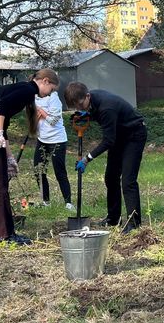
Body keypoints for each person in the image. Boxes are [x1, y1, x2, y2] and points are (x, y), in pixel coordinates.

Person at [0, 68, 60, 245]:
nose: (49, 94)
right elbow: (2, 105)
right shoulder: (28, 89)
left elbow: (2, 121)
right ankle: (5, 235)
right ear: (45, 81)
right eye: (52, 89)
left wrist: (8, 157)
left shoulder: (22, 89)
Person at [63, 82, 147, 234]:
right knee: (111, 177)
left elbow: (109, 140)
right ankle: (113, 218)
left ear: (87, 95)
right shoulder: (91, 100)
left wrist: (87, 158)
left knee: (128, 180)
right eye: (76, 108)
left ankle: (134, 223)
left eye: (81, 105)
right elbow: (96, 115)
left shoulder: (107, 107)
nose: (80, 109)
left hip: (134, 134)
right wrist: (86, 115)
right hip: (119, 135)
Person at [33, 90, 74, 210]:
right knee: (39, 171)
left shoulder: (54, 98)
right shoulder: (34, 98)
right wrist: (38, 116)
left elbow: (53, 121)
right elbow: (34, 119)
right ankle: (45, 202)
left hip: (57, 140)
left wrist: (41, 112)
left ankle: (68, 203)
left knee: (59, 172)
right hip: (42, 139)